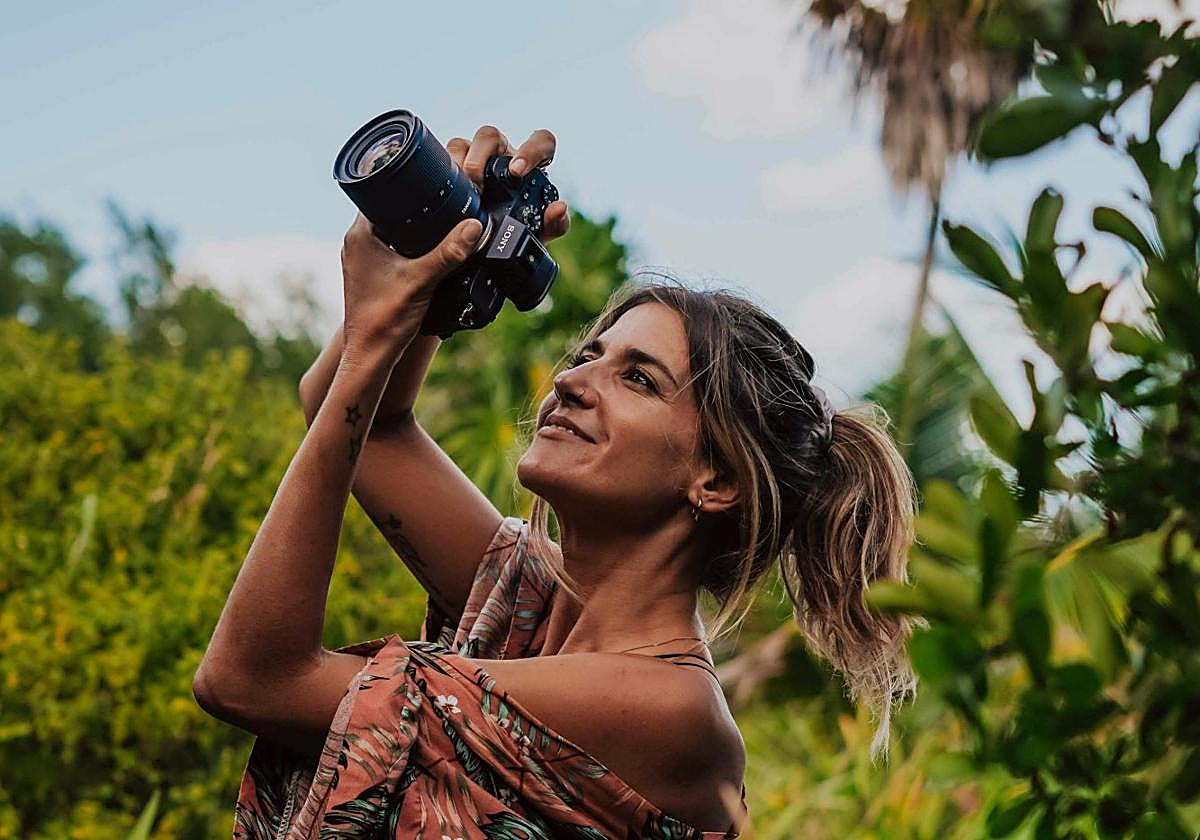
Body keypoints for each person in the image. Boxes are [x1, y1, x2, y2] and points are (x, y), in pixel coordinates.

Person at [193, 124, 920, 839]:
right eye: (590, 355)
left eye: (637, 378)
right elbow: (361, 421)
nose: (571, 381)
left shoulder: (672, 710)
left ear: (717, 479)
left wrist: (377, 334)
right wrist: (440, 263)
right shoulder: (536, 604)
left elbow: (253, 679)